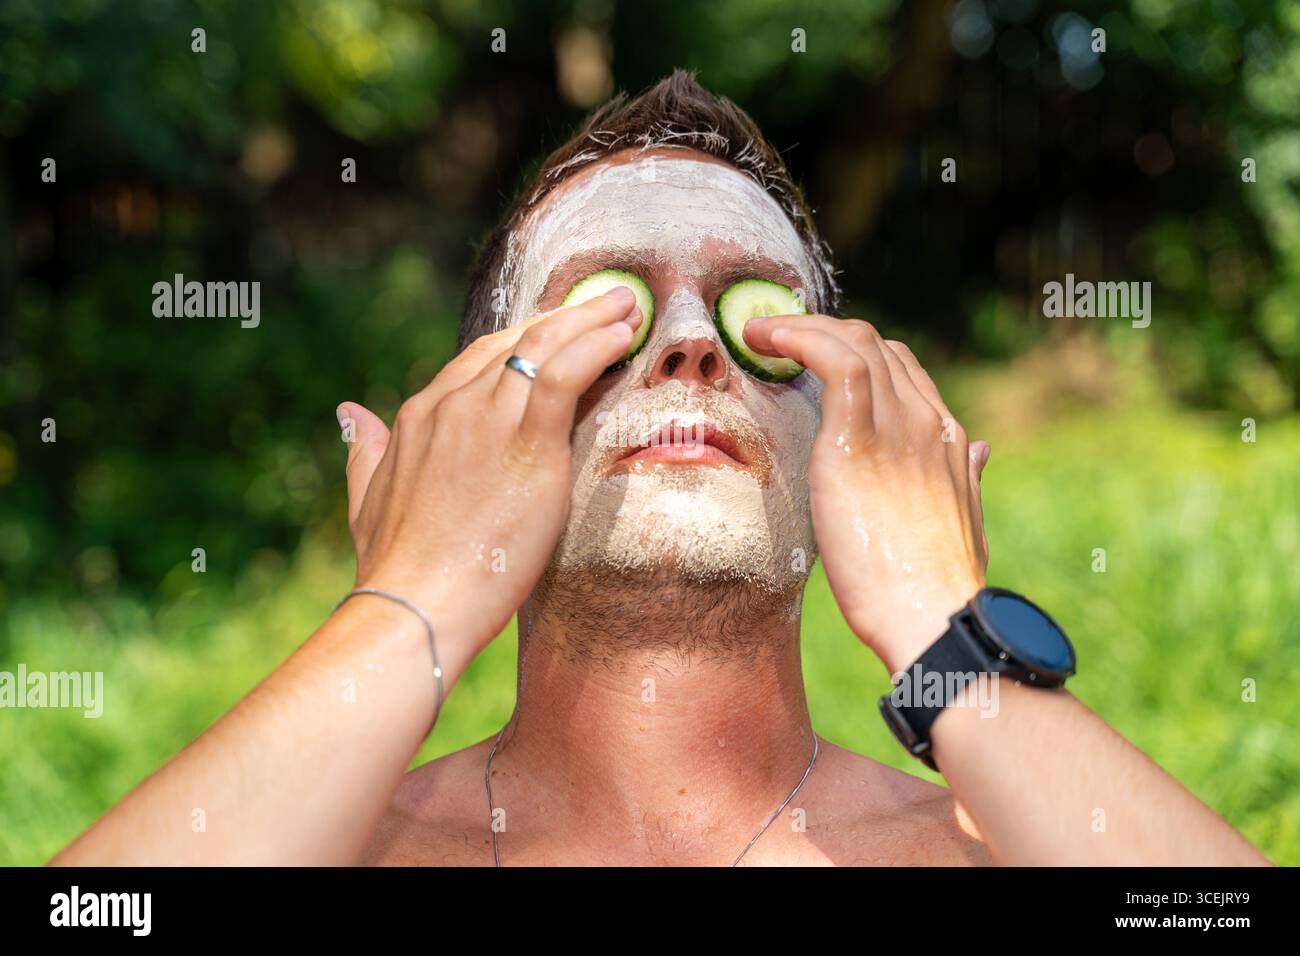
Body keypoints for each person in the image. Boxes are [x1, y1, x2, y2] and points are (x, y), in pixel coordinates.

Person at [53, 72, 1269, 866]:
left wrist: (947, 634)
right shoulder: (326, 846)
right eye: (611, 308)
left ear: (851, 437)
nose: (691, 338)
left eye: (756, 310)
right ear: (472, 427)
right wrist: (410, 600)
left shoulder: (997, 843)